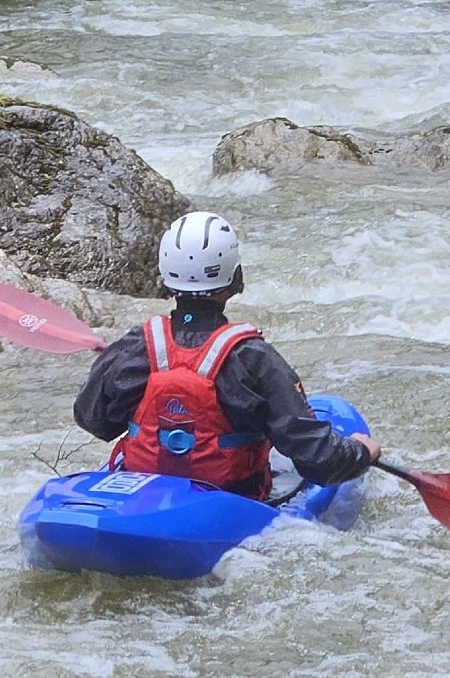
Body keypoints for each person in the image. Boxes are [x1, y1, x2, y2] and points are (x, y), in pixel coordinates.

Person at [74, 211, 380, 500]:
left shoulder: (134, 346)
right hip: (233, 498)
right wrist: (362, 452)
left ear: (166, 276)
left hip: (143, 492)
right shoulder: (253, 358)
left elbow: (93, 421)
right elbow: (319, 461)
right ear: (235, 278)